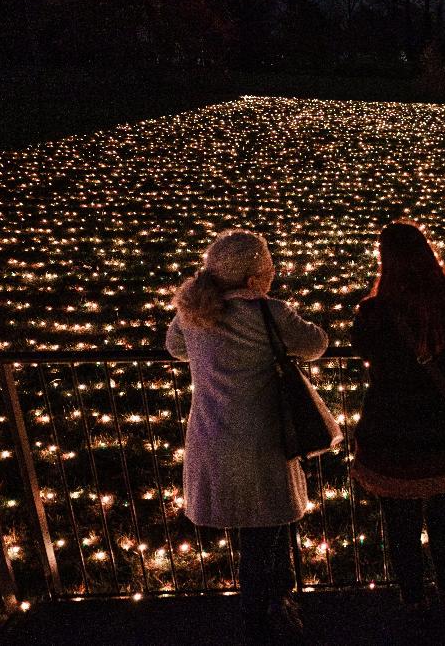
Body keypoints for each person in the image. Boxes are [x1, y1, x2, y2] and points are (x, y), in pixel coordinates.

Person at [166, 228, 328, 644]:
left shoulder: (191, 313)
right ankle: (259, 613)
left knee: (254, 528)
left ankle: (273, 600)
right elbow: (316, 344)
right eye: (269, 268)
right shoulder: (268, 312)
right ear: (255, 278)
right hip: (263, 440)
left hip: (211, 436)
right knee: (263, 530)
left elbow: (175, 348)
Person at [350, 220, 445, 631]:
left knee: (399, 523)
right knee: (443, 513)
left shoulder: (374, 313)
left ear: (384, 261)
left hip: (389, 436)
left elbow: (362, 347)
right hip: (443, 434)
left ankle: (413, 598)